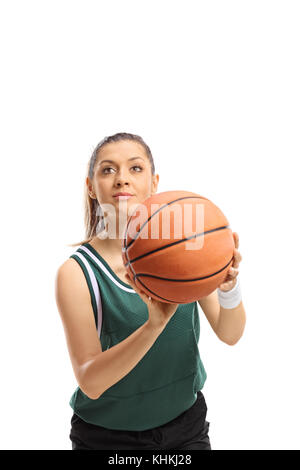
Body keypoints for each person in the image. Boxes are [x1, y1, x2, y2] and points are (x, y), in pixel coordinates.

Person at [55, 132, 246, 450]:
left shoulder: (186, 247)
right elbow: (90, 381)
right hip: (105, 438)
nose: (122, 180)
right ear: (91, 187)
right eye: (108, 170)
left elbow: (231, 333)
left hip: (186, 430)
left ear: (154, 183)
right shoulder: (76, 273)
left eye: (135, 168)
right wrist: (153, 326)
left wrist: (229, 287)